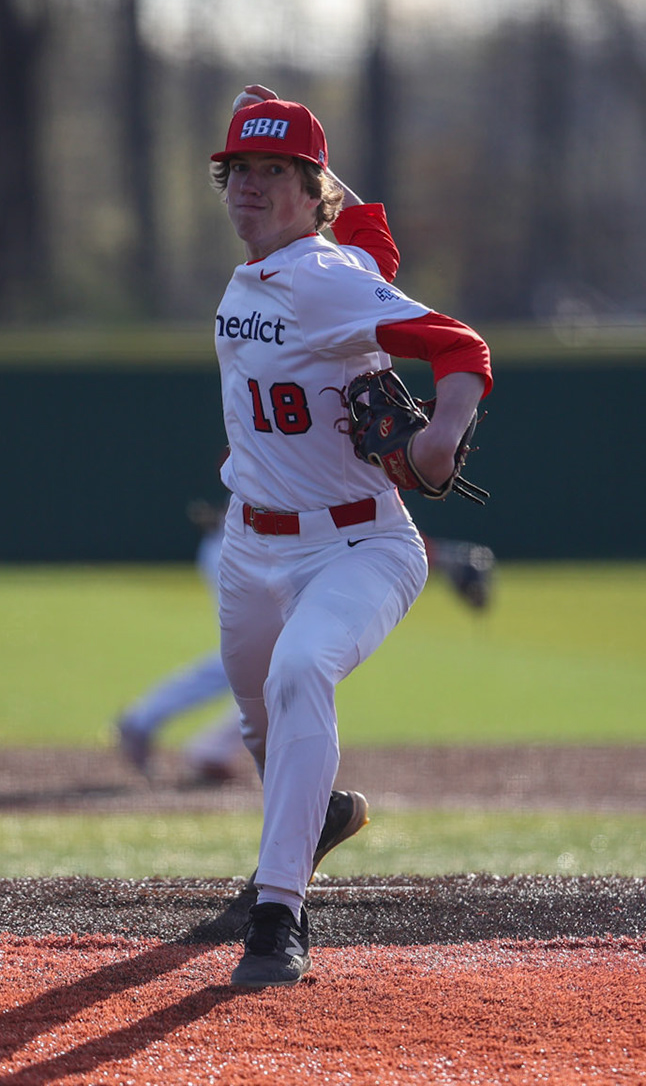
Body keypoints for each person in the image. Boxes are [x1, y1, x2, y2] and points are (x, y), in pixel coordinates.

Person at [207, 84, 492, 987]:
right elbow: (374, 243)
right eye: (238, 171)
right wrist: (295, 144)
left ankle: (279, 916)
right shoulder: (290, 268)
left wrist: (443, 435)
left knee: (302, 675)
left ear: (307, 188)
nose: (249, 188)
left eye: (271, 172)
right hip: (251, 551)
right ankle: (314, 817)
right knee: (260, 725)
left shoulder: (325, 282)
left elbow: (461, 347)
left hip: (359, 543)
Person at [114, 501, 497, 785]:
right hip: (248, 548)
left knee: (289, 662)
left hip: (267, 547)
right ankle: (155, 724)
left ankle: (205, 744)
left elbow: (378, 516)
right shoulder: (295, 424)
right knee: (265, 659)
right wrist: (444, 557)